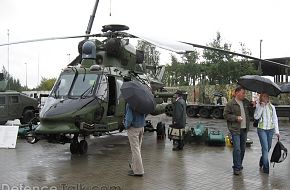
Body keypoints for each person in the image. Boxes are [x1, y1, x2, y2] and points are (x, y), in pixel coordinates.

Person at [223, 86, 252, 175]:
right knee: (237, 149)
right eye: (243, 93)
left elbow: (251, 111)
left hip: (244, 129)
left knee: (243, 149)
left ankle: (239, 164)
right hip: (235, 129)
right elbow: (225, 115)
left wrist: (253, 105)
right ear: (236, 93)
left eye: (244, 93)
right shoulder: (230, 103)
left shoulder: (246, 102)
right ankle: (236, 167)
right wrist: (236, 118)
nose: (244, 94)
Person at [254, 93, 280, 174]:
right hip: (261, 129)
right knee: (265, 148)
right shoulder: (259, 106)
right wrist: (261, 107)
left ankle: (262, 160)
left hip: (270, 130)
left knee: (268, 148)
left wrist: (277, 132)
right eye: (264, 96)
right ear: (261, 98)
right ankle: (266, 168)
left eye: (267, 96)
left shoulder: (272, 107)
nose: (265, 98)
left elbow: (275, 119)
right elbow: (256, 117)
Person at [124, 103, 145, 177]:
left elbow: (129, 118)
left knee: (135, 150)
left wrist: (126, 125)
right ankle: (134, 167)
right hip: (141, 127)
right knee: (137, 149)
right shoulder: (142, 103)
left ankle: (139, 171)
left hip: (133, 128)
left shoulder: (130, 104)